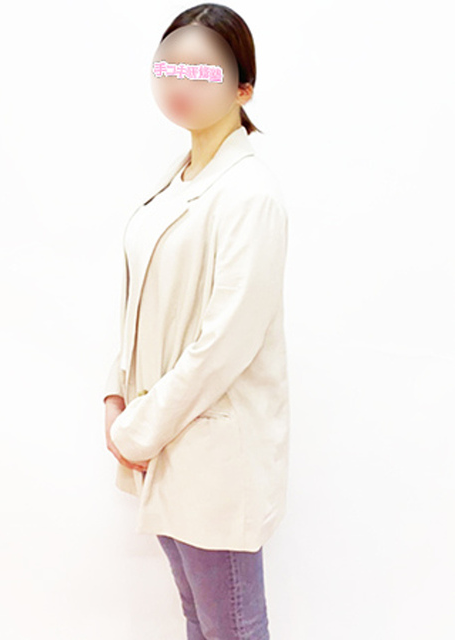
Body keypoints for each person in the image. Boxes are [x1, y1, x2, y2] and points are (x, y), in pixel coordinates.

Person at [103, 4, 290, 639]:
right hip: (162, 436)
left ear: (243, 88)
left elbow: (225, 342)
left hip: (211, 450)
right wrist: (114, 394)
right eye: (170, 67)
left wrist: (137, 430)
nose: (181, 83)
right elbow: (141, 299)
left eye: (203, 70)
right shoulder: (177, 181)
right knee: (199, 620)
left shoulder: (249, 193)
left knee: (231, 626)